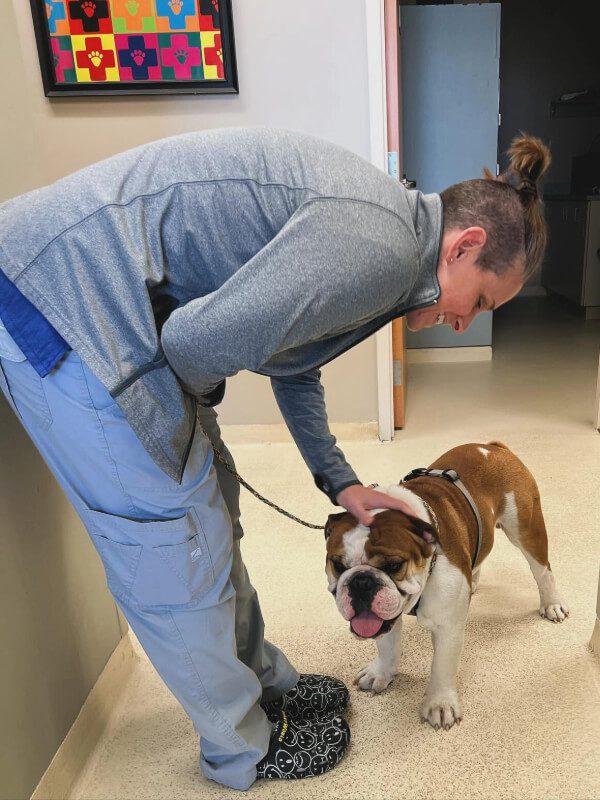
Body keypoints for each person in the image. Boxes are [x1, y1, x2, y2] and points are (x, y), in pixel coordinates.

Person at [0, 128, 550, 790]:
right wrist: (189, 422)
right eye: (482, 301)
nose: (468, 321)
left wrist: (339, 480)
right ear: (466, 246)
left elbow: (293, 360)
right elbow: (195, 342)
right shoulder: (376, 249)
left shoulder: (390, 244)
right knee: (178, 546)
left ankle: (265, 686)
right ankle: (244, 750)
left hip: (111, 304)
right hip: (62, 301)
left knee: (214, 514)